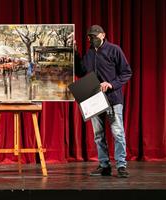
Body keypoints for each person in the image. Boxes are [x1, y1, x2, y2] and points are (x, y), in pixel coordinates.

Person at [78, 25, 132, 178]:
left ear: (103, 35)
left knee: (118, 133)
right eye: (90, 37)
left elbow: (127, 72)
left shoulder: (114, 50)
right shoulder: (89, 54)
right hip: (94, 98)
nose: (92, 39)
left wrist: (111, 84)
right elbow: (82, 72)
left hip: (113, 98)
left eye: (95, 36)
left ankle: (121, 165)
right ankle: (104, 166)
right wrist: (75, 53)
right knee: (98, 134)